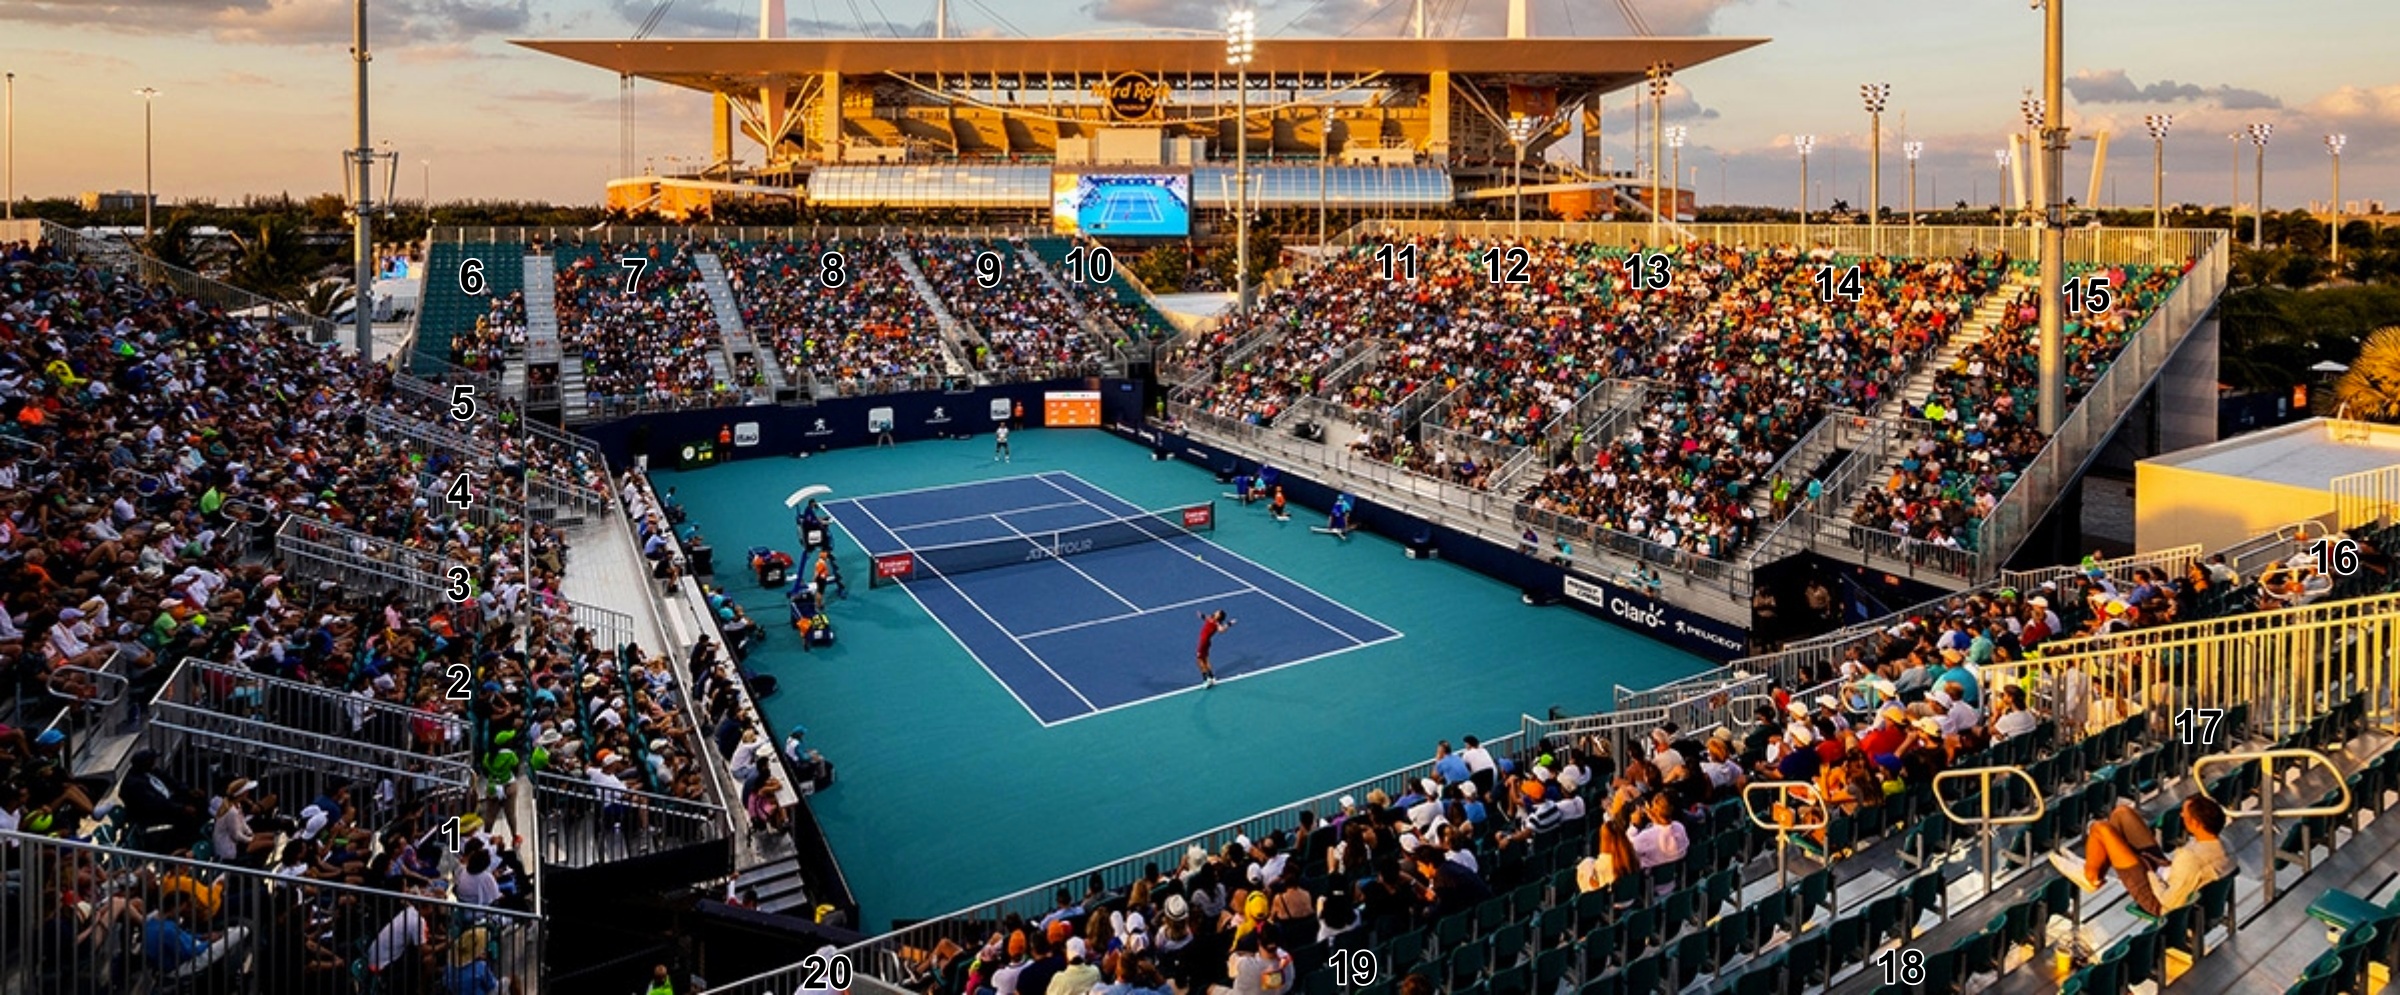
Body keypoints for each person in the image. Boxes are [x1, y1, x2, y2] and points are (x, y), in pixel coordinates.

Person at [2051, 795, 2234, 916]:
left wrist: (2149, 872)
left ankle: (2090, 877)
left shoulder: (2191, 859)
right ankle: (2096, 869)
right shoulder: (2223, 844)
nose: (2180, 815)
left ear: (2195, 823)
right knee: (2122, 813)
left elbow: (2169, 902)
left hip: (2155, 895)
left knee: (2100, 828)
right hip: (2167, 872)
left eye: (2184, 814)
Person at [1196, 609, 1235, 688]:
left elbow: (1221, 630)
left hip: (1204, 642)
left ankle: (1206, 680)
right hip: (1207, 642)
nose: (1216, 611)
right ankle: (1212, 677)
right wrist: (1201, 615)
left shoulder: (1216, 623)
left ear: (1219, 616)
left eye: (1217, 612)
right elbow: (1206, 618)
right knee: (1206, 659)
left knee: (1199, 660)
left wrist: (1229, 624)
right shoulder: (1211, 618)